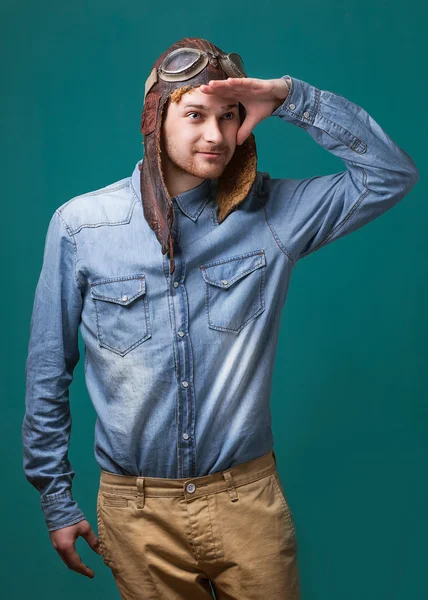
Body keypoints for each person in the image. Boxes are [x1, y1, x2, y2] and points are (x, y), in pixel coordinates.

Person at [22, 36, 419, 600]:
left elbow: (389, 175)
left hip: (247, 505)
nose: (215, 135)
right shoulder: (81, 226)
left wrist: (289, 96)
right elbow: (47, 370)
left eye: (229, 117)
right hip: (137, 516)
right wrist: (55, 499)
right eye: (195, 115)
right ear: (156, 118)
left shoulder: (276, 214)